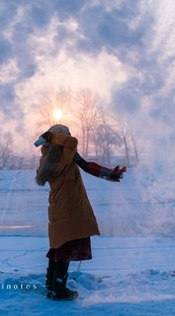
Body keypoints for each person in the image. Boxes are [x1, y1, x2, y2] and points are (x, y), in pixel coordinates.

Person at [35, 124, 126, 300]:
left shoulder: (58, 156)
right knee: (64, 249)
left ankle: (51, 286)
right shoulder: (59, 156)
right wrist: (53, 137)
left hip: (61, 206)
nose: (70, 136)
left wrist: (110, 174)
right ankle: (59, 291)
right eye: (66, 134)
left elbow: (86, 165)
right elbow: (73, 142)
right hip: (68, 206)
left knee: (59, 247)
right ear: (60, 137)